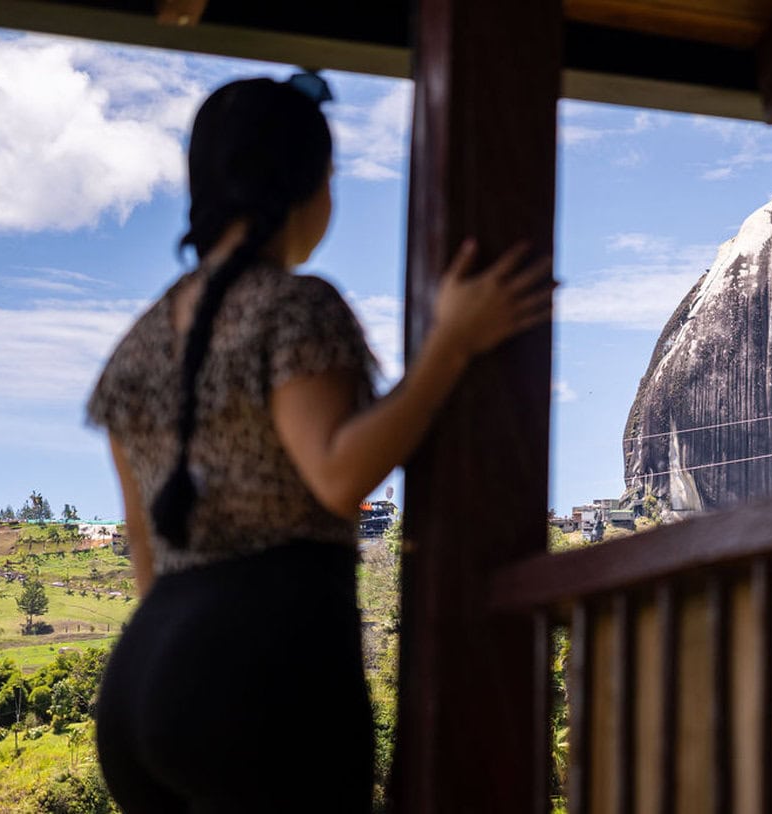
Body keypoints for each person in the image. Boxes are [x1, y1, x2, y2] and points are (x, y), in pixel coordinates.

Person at [86, 73, 553, 813]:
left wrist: (181, 660)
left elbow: (144, 543)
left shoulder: (135, 344)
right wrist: (450, 347)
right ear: (305, 185)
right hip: (266, 669)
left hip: (144, 683)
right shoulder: (297, 310)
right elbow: (339, 474)